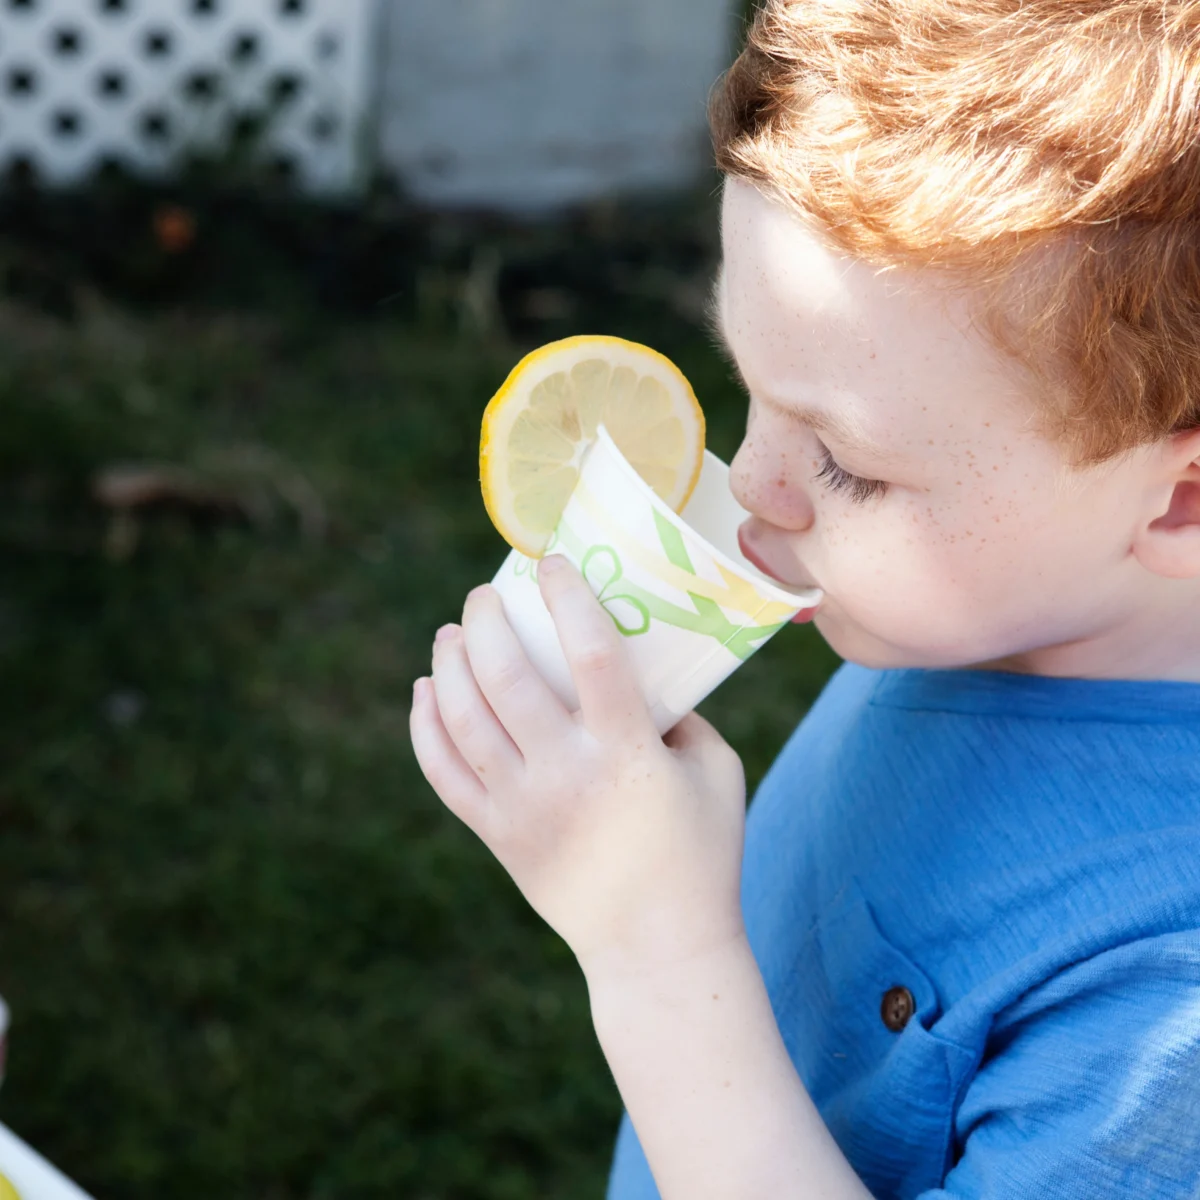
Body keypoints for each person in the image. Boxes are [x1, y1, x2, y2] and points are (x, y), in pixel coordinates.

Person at [408, 1, 1200, 1195]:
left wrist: (656, 951)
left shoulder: (1165, 1012)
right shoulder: (999, 606)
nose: (753, 483)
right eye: (754, 389)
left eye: (852, 466)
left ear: (1179, 501)